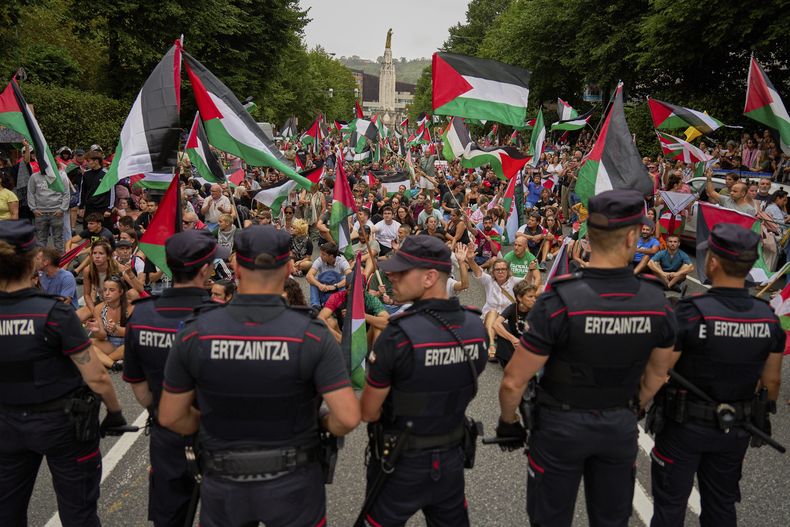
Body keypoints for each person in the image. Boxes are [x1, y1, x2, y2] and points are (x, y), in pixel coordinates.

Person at [496, 189, 678, 527]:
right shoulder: (656, 303)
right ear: (632, 237)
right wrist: (630, 406)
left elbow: (513, 381)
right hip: (618, 424)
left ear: (589, 237)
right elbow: (657, 374)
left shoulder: (558, 299)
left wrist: (508, 423)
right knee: (611, 519)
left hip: (559, 426)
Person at [158, 225, 360, 527]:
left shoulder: (196, 331)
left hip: (224, 479)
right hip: (294, 479)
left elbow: (171, 415)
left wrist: (213, 420)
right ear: (289, 269)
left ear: (237, 268)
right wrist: (319, 423)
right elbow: (347, 417)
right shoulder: (312, 333)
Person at [649, 224, 784, 527]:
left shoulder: (690, 311)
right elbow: (772, 381)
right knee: (721, 506)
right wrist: (760, 412)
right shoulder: (767, 318)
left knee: (670, 506)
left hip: (683, 426)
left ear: (712, 262)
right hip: (734, 427)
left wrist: (638, 403)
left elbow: (659, 371)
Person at [0, 221, 126, 526]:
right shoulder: (53, 312)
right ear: (34, 261)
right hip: (61, 423)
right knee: (78, 512)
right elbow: (95, 375)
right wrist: (114, 412)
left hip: (7, 423)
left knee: (7, 511)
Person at [359, 235, 488, 527]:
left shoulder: (396, 335)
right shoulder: (474, 326)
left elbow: (368, 411)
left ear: (429, 277)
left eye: (402, 271)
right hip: (451, 457)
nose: (392, 275)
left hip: (398, 461)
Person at [123, 230, 224, 527]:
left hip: (166, 431)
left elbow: (139, 388)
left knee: (169, 517)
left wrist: (164, 412)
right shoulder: (225, 317)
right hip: (218, 434)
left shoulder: (141, 316)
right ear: (204, 270)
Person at [469, 256, 523, 362]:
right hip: (489, 319)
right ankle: (491, 346)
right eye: (497, 269)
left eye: (503, 269)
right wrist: (470, 259)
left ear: (508, 271)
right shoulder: (489, 281)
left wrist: (532, 270)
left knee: (497, 319)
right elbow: (478, 271)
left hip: (505, 323)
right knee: (493, 312)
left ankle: (495, 338)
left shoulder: (514, 281)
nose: (500, 272)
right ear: (493, 272)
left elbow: (528, 282)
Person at [87, 275, 133, 369]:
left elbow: (135, 333)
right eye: (105, 290)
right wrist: (97, 331)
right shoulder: (98, 308)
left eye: (112, 290)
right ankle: (114, 364)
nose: (107, 293)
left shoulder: (131, 307)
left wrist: (117, 329)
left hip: (127, 343)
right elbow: (102, 336)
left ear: (121, 292)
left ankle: (105, 361)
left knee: (134, 345)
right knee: (86, 343)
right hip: (110, 344)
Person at [493, 281, 538, 366]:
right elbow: (496, 324)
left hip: (528, 346)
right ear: (519, 298)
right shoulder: (513, 308)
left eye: (535, 297)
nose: (534, 300)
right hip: (514, 344)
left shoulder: (537, 311)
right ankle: (511, 362)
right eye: (530, 297)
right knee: (502, 326)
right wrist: (513, 339)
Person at [27, 166, 70, 252]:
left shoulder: (61, 176)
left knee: (58, 239)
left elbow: (66, 193)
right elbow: (30, 192)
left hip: (56, 212)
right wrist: (33, 209)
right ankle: (41, 259)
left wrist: (62, 209)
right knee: (40, 240)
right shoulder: (34, 177)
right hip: (40, 213)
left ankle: (59, 259)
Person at [305, 242, 352, 309]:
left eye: (323, 254)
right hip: (324, 285)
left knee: (344, 279)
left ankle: (341, 305)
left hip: (337, 286)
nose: (321, 256)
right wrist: (319, 285)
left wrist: (335, 286)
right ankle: (315, 305)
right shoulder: (320, 260)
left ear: (331, 256)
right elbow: (308, 276)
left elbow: (350, 277)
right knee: (313, 280)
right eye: (321, 253)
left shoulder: (342, 261)